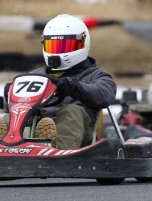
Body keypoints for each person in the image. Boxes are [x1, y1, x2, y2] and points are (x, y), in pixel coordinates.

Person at [12, 14, 116, 150]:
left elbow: (104, 95)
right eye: (52, 46)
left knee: (71, 111)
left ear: (81, 44)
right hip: (35, 127)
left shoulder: (96, 75)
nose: (57, 52)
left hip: (79, 137)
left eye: (63, 47)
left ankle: (56, 149)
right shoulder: (35, 75)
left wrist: (73, 87)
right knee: (11, 114)